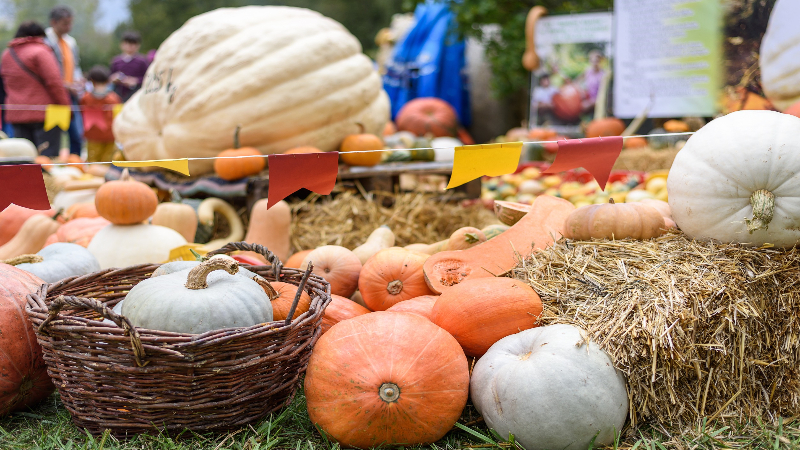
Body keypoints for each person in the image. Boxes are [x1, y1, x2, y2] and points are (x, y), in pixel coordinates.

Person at [0, 21, 70, 156]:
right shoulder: (41, 52)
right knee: (47, 159)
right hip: (45, 114)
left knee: (24, 159)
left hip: (16, 113)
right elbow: (54, 82)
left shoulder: (7, 54)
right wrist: (65, 107)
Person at [44, 5, 84, 156]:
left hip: (71, 94)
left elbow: (75, 65)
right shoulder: (45, 42)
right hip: (54, 96)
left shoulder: (70, 42)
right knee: (54, 135)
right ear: (54, 22)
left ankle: (76, 165)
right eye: (65, 23)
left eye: (70, 23)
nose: (69, 27)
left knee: (76, 135)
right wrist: (64, 85)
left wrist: (78, 81)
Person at [80, 66, 121, 162]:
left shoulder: (85, 98)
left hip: (93, 135)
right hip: (110, 135)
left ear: (92, 81)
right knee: (108, 162)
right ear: (107, 81)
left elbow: (82, 112)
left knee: (93, 162)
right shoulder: (114, 98)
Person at [110, 31, 149, 101]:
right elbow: (109, 77)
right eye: (127, 43)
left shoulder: (142, 61)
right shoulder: (116, 61)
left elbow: (149, 77)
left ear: (138, 45)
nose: (129, 46)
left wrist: (136, 80)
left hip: (136, 95)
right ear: (122, 44)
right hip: (118, 95)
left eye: (133, 43)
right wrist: (114, 78)